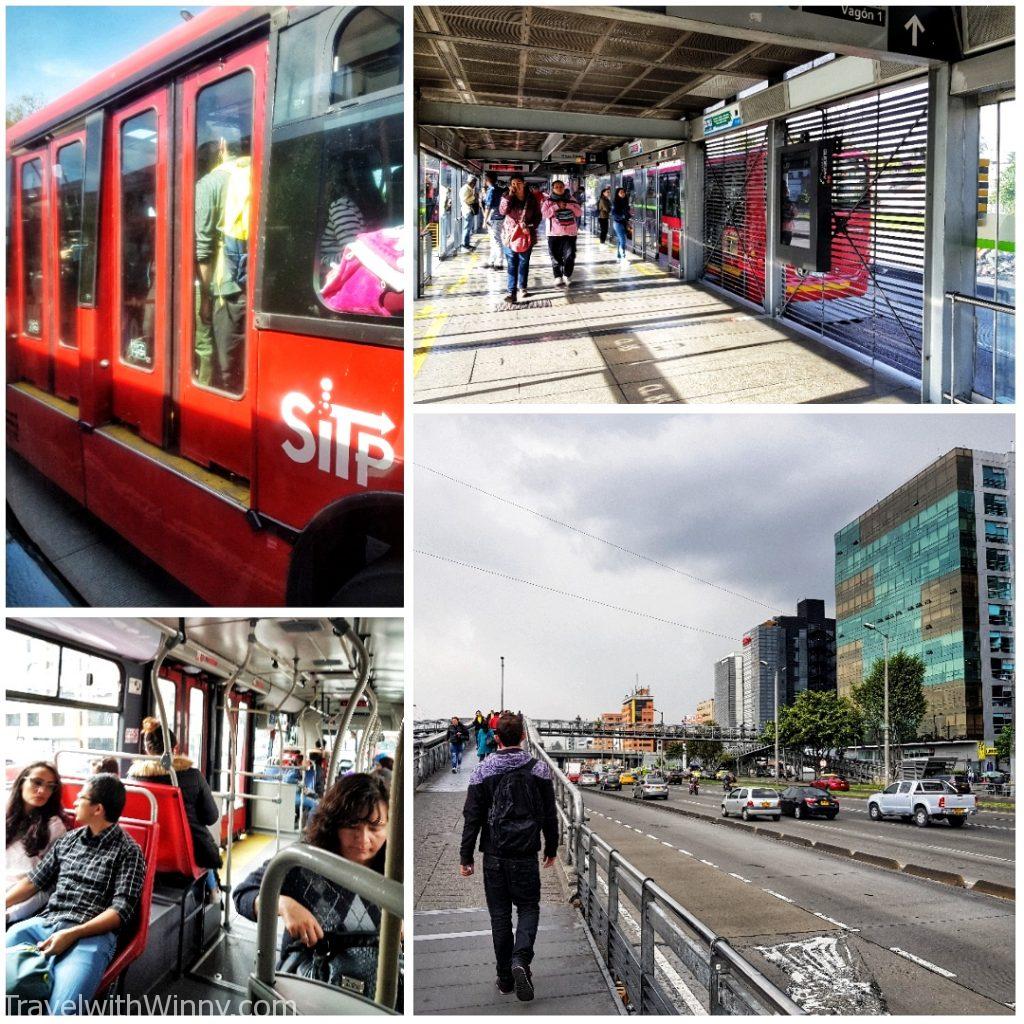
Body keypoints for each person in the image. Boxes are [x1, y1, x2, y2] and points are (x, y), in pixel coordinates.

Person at [233, 773, 396, 1003]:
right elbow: (243, 894)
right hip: (308, 987)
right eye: (352, 826)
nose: (363, 839)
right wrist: (282, 904)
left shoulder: (396, 871)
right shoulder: (303, 862)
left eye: (375, 827)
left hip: (376, 991)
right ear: (334, 824)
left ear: (390, 827)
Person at [5, 774, 145, 1014]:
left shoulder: (129, 852)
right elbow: (34, 882)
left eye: (81, 797)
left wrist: (72, 934)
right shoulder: (68, 841)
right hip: (44, 923)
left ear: (98, 809)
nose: (75, 802)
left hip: (90, 936)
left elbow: (120, 912)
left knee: (63, 1011)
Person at [460, 712, 558, 1002]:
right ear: (524, 737)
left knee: (500, 917)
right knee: (529, 909)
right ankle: (521, 960)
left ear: (496, 738)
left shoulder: (482, 771)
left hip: (494, 856)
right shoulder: (539, 770)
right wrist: (551, 848)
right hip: (526, 854)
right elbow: (549, 815)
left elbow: (472, 817)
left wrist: (466, 856)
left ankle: (505, 979)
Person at [127, 716, 223, 899]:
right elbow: (210, 817)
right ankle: (213, 890)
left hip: (146, 850)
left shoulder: (134, 779)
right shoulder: (193, 776)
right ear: (175, 748)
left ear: (147, 749)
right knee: (201, 840)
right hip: (186, 855)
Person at [194, 120, 251, 393]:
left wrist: (204, 297)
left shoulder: (210, 184)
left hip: (225, 289)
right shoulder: (260, 172)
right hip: (255, 285)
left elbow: (202, 249)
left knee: (223, 369)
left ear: (222, 146)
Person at [6, 762, 67, 925]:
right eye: (37, 782)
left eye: (50, 787)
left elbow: (41, 881)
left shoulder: (53, 825)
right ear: (22, 782)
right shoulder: (5, 813)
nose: (43, 791)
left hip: (20, 894)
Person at [498, 175, 541, 303]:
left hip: (526, 235)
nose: (516, 185)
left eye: (519, 183)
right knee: (512, 264)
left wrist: (530, 225)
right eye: (513, 183)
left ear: (524, 183)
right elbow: (502, 211)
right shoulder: (506, 196)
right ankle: (511, 292)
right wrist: (510, 195)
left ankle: (522, 287)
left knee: (523, 262)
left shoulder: (531, 198)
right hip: (509, 235)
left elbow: (538, 216)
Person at [541, 181, 582, 287]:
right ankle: (558, 276)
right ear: (552, 189)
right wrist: (556, 206)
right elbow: (545, 214)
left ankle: (567, 275)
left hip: (570, 234)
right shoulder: (548, 201)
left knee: (570, 256)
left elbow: (579, 213)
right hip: (554, 234)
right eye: (556, 187)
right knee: (555, 257)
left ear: (564, 188)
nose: (559, 188)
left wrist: (568, 205)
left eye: (561, 187)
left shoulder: (571, 199)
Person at [480, 172, 507, 271]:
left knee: (496, 240)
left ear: (487, 180)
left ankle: (499, 262)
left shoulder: (491, 190)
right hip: (500, 217)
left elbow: (488, 206)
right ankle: (491, 260)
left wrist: (484, 220)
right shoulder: (499, 189)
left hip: (493, 218)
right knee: (493, 240)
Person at [611, 187, 631, 259]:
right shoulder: (615, 202)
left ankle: (619, 255)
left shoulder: (625, 201)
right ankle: (623, 255)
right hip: (618, 223)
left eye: (623, 192)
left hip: (623, 223)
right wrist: (622, 216)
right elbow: (614, 213)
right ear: (617, 193)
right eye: (621, 192)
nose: (623, 194)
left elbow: (627, 212)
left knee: (620, 240)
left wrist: (628, 216)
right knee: (623, 239)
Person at [459, 176, 478, 251]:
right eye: (474, 183)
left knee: (468, 228)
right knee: (467, 228)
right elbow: (465, 199)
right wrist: (474, 197)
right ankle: (464, 244)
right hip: (467, 210)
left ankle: (467, 244)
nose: (475, 185)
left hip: (469, 210)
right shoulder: (465, 189)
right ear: (471, 182)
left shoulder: (469, 188)